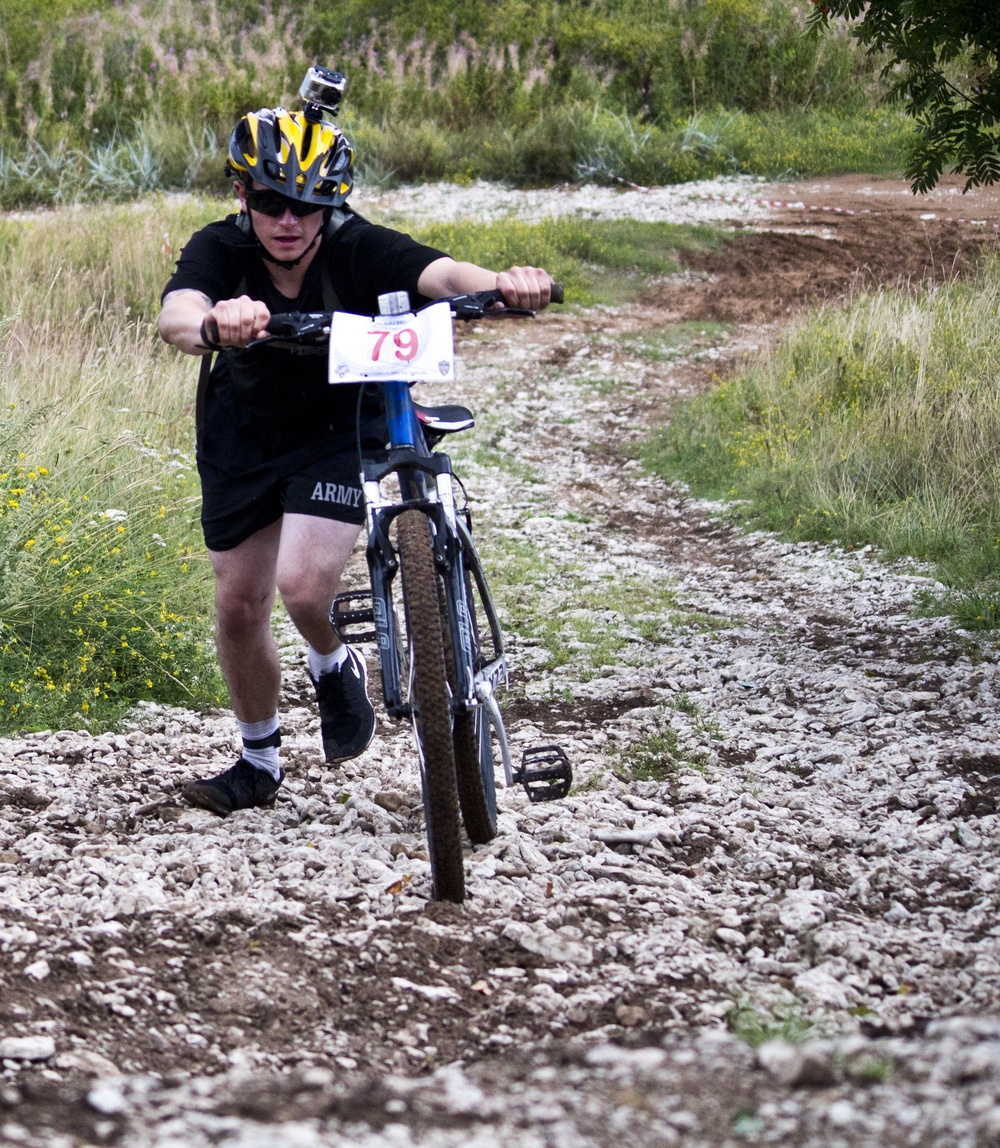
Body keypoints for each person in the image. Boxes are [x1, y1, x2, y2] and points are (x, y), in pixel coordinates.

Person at [158, 102, 553, 816]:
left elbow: (440, 273)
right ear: (244, 195)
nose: (289, 221)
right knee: (239, 603)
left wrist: (506, 280)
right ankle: (261, 760)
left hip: (342, 426)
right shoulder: (221, 248)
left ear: (331, 204)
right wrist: (215, 322)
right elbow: (176, 314)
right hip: (243, 432)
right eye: (273, 202)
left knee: (305, 588)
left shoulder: (357, 246)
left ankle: (336, 660)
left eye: (309, 206)